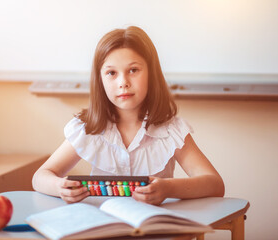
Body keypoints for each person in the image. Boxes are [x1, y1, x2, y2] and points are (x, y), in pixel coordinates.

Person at [32, 26, 225, 205]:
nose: (123, 82)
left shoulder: (170, 130)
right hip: (104, 228)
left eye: (133, 70)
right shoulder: (87, 128)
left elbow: (215, 184)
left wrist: (168, 188)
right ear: (100, 80)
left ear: (151, 73)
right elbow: (40, 177)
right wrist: (59, 188)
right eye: (112, 73)